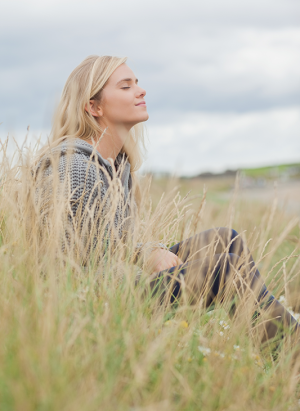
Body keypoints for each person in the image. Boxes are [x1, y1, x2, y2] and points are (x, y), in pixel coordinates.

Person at [34, 55, 300, 357]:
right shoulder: (74, 169)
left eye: (137, 83)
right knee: (223, 270)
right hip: (98, 301)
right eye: (125, 86)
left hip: (121, 280)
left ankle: (278, 354)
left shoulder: (116, 165)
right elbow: (79, 268)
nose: (141, 90)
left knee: (227, 240)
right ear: (94, 107)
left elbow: (113, 243)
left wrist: (147, 252)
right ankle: (294, 360)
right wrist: (149, 269)